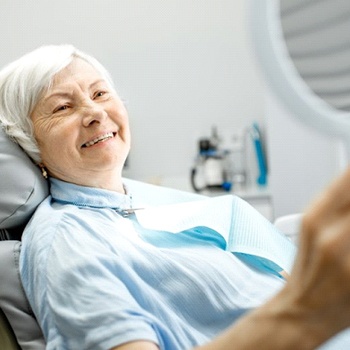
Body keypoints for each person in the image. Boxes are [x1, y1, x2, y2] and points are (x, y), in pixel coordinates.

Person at [0, 44, 350, 350]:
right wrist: (306, 311)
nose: (95, 113)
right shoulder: (65, 240)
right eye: (62, 108)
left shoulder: (136, 201)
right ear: (30, 145)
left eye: (100, 93)